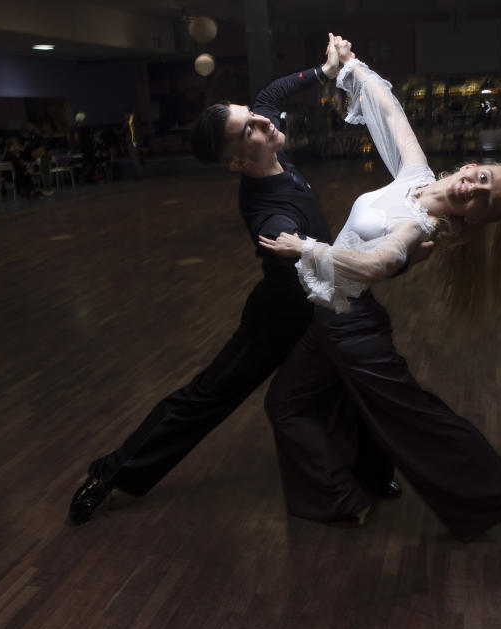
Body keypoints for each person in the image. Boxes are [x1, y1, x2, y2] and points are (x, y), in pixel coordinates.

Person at [68, 34, 399, 526]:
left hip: (316, 306)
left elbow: (273, 92)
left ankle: (372, 473)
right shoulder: (271, 217)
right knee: (208, 398)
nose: (264, 121)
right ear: (240, 162)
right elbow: (314, 263)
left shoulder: (268, 142)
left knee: (356, 379)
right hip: (280, 319)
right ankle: (112, 473)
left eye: (251, 115)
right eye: (250, 129)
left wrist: (324, 73)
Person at [259, 41, 501, 551]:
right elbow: (388, 110)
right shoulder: (415, 175)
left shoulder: (422, 229)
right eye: (483, 179)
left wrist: (307, 248)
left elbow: (376, 263)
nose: (477, 189)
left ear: (476, 218)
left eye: (486, 201)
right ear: (471, 166)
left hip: (353, 332)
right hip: (330, 323)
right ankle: (345, 498)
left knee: (420, 426)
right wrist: (349, 65)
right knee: (286, 403)